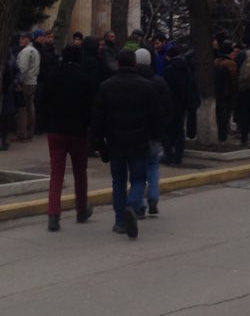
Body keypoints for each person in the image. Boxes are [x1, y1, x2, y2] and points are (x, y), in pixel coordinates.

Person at [90, 48, 163, 239]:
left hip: (115, 142)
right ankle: (132, 205)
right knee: (138, 179)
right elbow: (155, 116)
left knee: (118, 182)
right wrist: (156, 136)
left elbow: (97, 118)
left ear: (118, 64)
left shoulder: (106, 86)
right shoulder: (147, 86)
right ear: (135, 64)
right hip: (139, 142)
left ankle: (120, 221)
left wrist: (98, 144)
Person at [41, 44, 98, 231]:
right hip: (78, 132)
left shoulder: (52, 77)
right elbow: (91, 107)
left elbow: (43, 102)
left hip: (55, 131)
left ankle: (53, 214)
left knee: (56, 173)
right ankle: (81, 210)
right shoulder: (86, 80)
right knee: (80, 172)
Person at [135, 46, 172, 218]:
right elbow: (168, 106)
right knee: (154, 164)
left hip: (137, 132)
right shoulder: (159, 81)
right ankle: (153, 197)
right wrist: (163, 125)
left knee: (137, 168)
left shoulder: (134, 81)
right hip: (155, 132)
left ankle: (139, 203)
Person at [161, 44, 192, 165]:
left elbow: (165, 89)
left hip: (169, 104)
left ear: (169, 56)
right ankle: (178, 156)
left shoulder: (168, 70)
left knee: (166, 131)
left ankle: (168, 155)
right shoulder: (186, 68)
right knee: (179, 130)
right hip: (182, 104)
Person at [15, 29, 40, 141]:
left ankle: (22, 134)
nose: (20, 40)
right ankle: (30, 132)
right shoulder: (35, 51)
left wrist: (18, 82)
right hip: (33, 81)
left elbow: (22, 69)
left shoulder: (26, 51)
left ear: (28, 39)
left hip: (25, 83)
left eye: (23, 38)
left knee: (22, 109)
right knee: (30, 108)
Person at [213, 42, 238, 141]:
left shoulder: (216, 61)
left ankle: (219, 133)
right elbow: (234, 80)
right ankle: (223, 135)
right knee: (225, 115)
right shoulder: (230, 63)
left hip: (216, 92)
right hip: (227, 93)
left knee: (218, 114)